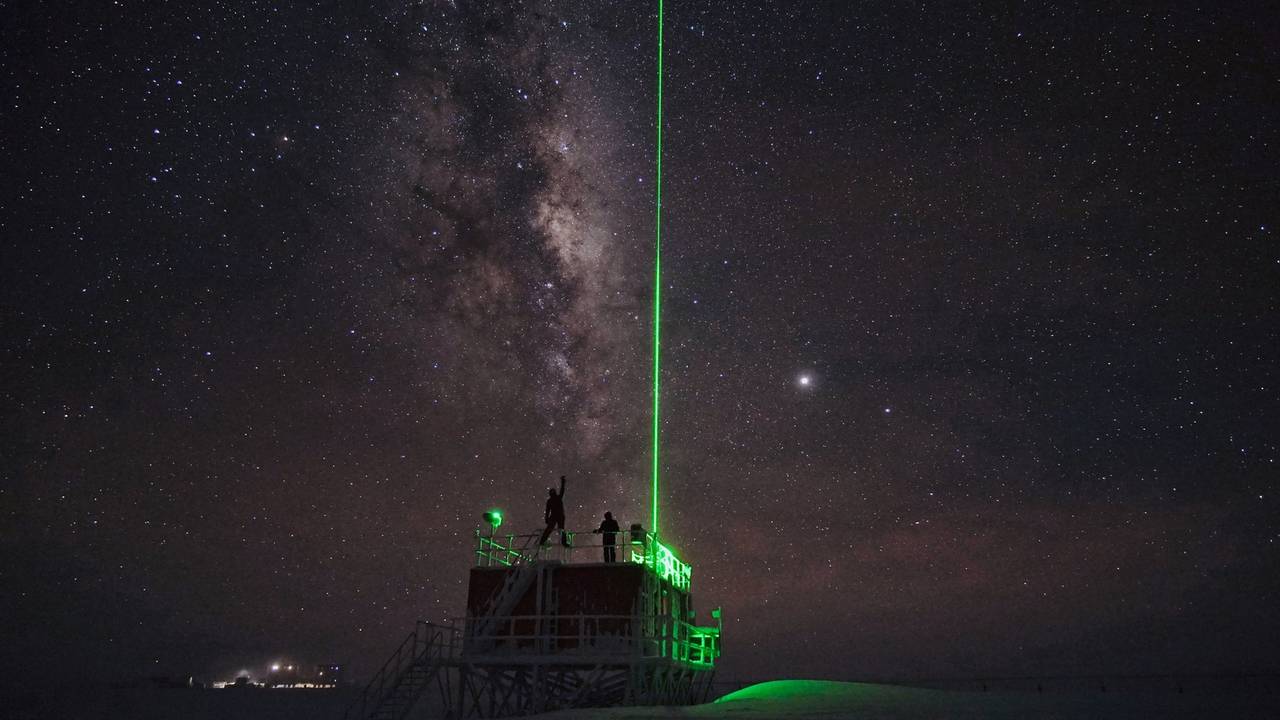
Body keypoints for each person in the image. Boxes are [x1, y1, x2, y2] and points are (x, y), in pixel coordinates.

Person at [538, 475, 569, 547]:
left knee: (550, 529)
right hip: (559, 516)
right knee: (561, 530)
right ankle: (564, 543)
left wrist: (546, 518)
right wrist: (563, 481)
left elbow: (547, 510)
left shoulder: (550, 500)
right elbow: (562, 490)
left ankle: (542, 541)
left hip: (555, 516)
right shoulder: (558, 498)